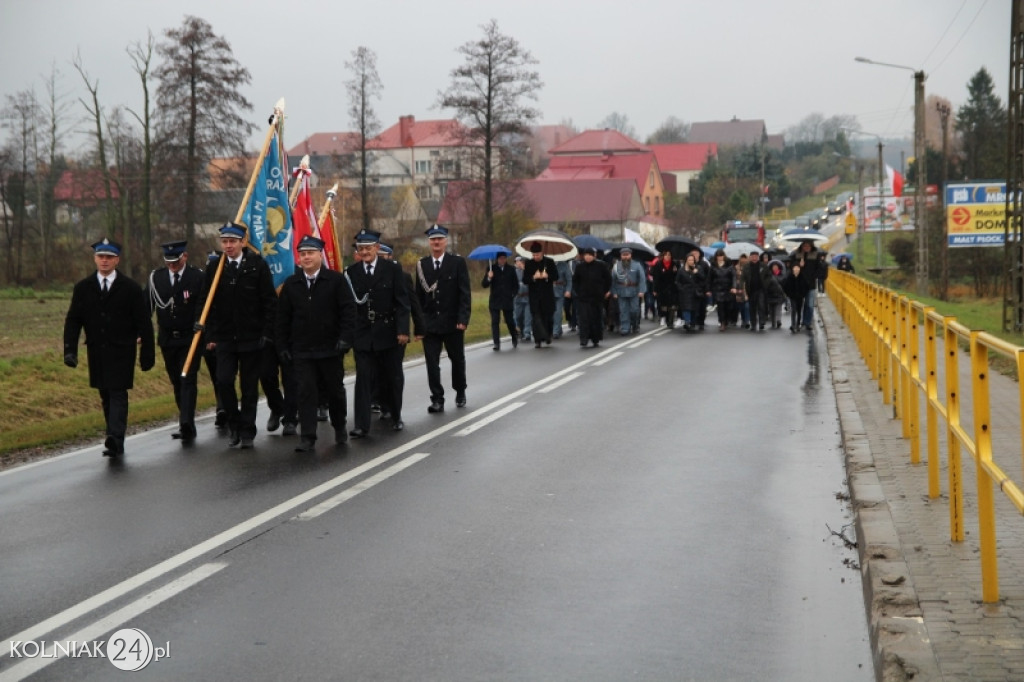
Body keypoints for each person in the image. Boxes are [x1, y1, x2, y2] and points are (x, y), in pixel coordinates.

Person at [64, 239, 155, 457]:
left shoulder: (131, 288)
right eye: (100, 257)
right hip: (97, 350)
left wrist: (147, 355)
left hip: (122, 351)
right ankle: (112, 434)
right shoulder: (83, 288)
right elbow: (73, 320)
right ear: (95, 259)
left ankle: (116, 437)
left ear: (117, 260)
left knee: (118, 392)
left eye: (109, 257)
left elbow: (144, 322)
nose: (104, 261)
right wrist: (70, 350)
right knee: (105, 393)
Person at [196, 222, 277, 449]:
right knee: (223, 381)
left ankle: (248, 430)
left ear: (243, 242)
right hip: (225, 337)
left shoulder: (257, 265)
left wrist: (266, 333)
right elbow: (206, 303)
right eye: (225, 241)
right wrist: (208, 332)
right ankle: (234, 424)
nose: (228, 246)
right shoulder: (215, 268)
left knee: (249, 387)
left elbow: (269, 302)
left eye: (233, 241)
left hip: (252, 337)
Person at [276, 235, 356, 452]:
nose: (306, 257)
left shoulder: (336, 280)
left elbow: (348, 311)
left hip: (330, 348)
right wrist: (282, 346)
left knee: (334, 391)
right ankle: (308, 436)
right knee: (305, 392)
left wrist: (345, 339)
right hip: (302, 350)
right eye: (302, 254)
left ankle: (339, 426)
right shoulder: (292, 284)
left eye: (310, 253)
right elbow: (282, 318)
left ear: (320, 254)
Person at [346, 229, 411, 437]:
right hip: (363, 333)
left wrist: (403, 330)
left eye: (368, 248)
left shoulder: (392, 269)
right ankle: (361, 425)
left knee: (391, 376)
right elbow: (349, 306)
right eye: (361, 248)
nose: (364, 252)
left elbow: (402, 302)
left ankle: (395, 415)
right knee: (363, 379)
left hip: (388, 331)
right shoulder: (352, 272)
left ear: (376, 248)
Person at [146, 240, 204, 443]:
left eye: (176, 261)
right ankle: (185, 419)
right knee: (176, 381)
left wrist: (200, 323)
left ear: (185, 257)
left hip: (190, 337)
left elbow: (202, 304)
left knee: (187, 378)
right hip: (168, 338)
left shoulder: (197, 277)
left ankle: (186, 424)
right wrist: (140, 331)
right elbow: (148, 307)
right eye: (169, 261)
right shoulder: (156, 278)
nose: (172, 265)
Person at [415, 224, 471, 413]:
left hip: (452, 321)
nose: (436, 242)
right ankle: (437, 398)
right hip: (430, 324)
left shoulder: (457, 263)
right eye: (433, 239)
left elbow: (464, 293)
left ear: (446, 241)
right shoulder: (422, 265)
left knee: (457, 359)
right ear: (429, 242)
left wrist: (463, 318)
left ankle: (460, 390)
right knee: (432, 363)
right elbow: (418, 297)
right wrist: (419, 324)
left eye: (439, 239)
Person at [375, 241, 422, 423]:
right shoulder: (367, 275)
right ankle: (383, 405)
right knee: (378, 371)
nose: (379, 260)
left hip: (396, 331)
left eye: (382, 257)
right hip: (376, 332)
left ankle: (395, 411)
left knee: (393, 372)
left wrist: (419, 327)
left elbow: (412, 304)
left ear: (389, 256)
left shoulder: (402, 276)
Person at [571, 246, 612, 347]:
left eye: (590, 255)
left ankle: (595, 338)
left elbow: (608, 279)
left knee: (596, 318)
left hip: (597, 297)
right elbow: (575, 281)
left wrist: (605, 290)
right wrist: (578, 292)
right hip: (583, 297)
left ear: (594, 256)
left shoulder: (601, 266)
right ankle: (584, 339)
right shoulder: (580, 267)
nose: (588, 257)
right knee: (583, 319)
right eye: (586, 255)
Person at [522, 242, 559, 347]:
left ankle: (548, 335)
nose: (535, 257)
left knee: (548, 318)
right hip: (534, 296)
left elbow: (556, 276)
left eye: (537, 255)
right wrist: (534, 277)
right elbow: (525, 280)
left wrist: (547, 276)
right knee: (536, 318)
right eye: (533, 255)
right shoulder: (528, 264)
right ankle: (538, 340)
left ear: (542, 253)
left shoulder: (550, 262)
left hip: (547, 295)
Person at [482, 251, 518, 351]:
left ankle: (514, 336)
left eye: (504, 258)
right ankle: (496, 343)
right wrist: (489, 278)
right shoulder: (491, 269)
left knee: (509, 321)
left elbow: (516, 285)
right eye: (500, 258)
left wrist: (512, 294)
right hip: (495, 300)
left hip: (507, 299)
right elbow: (484, 284)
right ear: (497, 259)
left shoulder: (511, 269)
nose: (502, 260)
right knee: (495, 321)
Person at [610, 247, 646, 335]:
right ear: (621, 256)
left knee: (634, 310)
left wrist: (642, 290)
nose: (625, 257)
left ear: (631, 255)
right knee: (623, 310)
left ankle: (635, 324)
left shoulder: (637, 265)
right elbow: (612, 280)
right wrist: (613, 292)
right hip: (621, 291)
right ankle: (625, 327)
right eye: (623, 255)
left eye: (627, 255)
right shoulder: (616, 266)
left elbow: (642, 278)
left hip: (634, 291)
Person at [791, 241, 821, 331]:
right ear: (802, 246)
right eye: (805, 246)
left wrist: (814, 276)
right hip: (799, 283)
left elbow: (819, 268)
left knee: (810, 304)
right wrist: (799, 266)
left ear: (811, 246)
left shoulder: (815, 255)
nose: (806, 247)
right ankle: (797, 322)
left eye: (808, 246)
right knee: (798, 305)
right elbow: (792, 266)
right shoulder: (796, 254)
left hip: (810, 284)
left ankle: (807, 322)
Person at [649, 250, 679, 329]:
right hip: (662, 288)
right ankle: (663, 317)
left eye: (669, 255)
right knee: (663, 304)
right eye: (666, 255)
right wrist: (655, 290)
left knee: (672, 305)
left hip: (672, 288)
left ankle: (670, 322)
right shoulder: (659, 264)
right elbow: (656, 278)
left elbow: (678, 276)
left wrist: (676, 271)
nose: (668, 257)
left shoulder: (675, 264)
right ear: (663, 256)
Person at [708, 249, 734, 332]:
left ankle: (726, 320)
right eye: (718, 256)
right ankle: (722, 322)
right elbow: (709, 279)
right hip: (717, 289)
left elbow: (733, 277)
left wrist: (733, 287)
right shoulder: (713, 266)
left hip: (728, 289)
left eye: (721, 255)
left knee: (728, 307)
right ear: (716, 257)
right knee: (720, 307)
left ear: (724, 256)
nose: (720, 257)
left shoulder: (729, 265)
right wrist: (708, 289)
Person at [675, 252, 701, 331]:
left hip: (694, 292)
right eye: (689, 260)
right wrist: (681, 288)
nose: (691, 262)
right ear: (686, 260)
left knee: (693, 309)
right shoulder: (681, 270)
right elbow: (677, 281)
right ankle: (687, 322)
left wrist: (697, 273)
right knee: (686, 308)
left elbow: (702, 279)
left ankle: (692, 323)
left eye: (692, 260)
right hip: (685, 292)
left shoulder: (697, 268)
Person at [762, 260, 788, 329]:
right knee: (771, 309)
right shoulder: (768, 275)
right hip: (770, 294)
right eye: (773, 266)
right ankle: (773, 322)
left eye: (776, 266)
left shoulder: (782, 275)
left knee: (778, 309)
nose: (775, 268)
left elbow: (784, 284)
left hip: (779, 294)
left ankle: (778, 321)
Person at [512, 256, 533, 344]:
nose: (519, 263)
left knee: (527, 316)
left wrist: (525, 270)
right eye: (517, 262)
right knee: (518, 316)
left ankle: (527, 333)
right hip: (517, 298)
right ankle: (520, 330)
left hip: (527, 297)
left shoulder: (528, 271)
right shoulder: (513, 273)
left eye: (520, 261)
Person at [744, 251, 766, 331]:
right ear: (750, 257)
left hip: (760, 289)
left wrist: (766, 284)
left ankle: (761, 323)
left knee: (761, 305)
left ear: (758, 257)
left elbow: (768, 276)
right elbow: (743, 278)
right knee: (752, 308)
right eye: (752, 256)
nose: (754, 258)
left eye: (756, 256)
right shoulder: (746, 266)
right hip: (750, 289)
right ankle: (753, 324)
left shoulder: (763, 265)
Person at [783, 263, 808, 332]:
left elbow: (806, 286)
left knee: (799, 311)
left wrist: (803, 294)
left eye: (798, 268)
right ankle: (793, 325)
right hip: (793, 297)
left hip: (800, 297)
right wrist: (789, 294)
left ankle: (798, 324)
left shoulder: (802, 277)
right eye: (795, 268)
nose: (796, 269)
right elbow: (785, 286)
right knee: (793, 310)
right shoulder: (790, 277)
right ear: (793, 269)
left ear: (799, 269)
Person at [552, 258, 573, 339]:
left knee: (558, 312)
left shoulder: (563, 265)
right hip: (548, 292)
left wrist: (568, 290)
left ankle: (555, 331)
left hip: (560, 291)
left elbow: (569, 279)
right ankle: (557, 329)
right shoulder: (545, 264)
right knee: (550, 312)